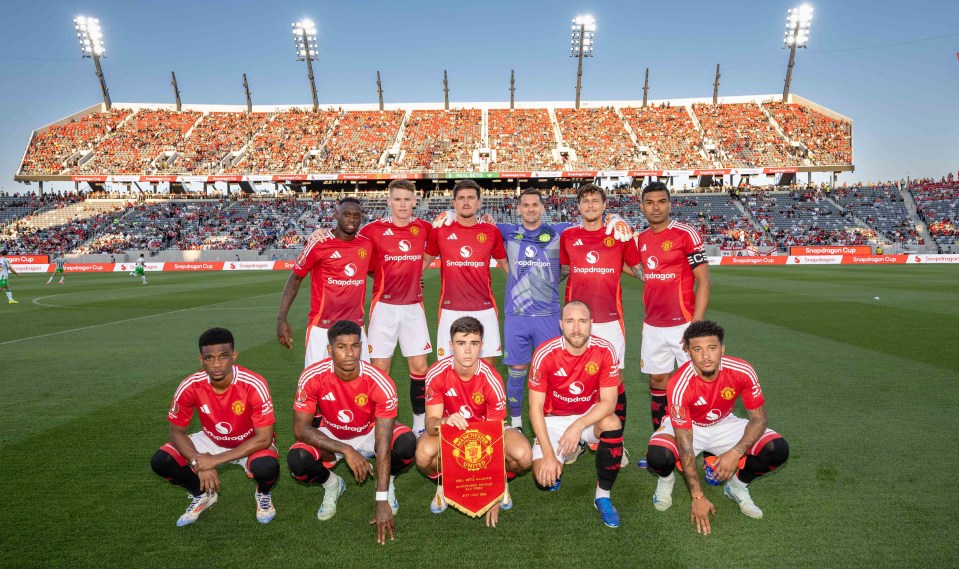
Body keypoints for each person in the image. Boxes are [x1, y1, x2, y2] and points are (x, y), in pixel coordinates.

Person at [488, 188, 632, 432]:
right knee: (517, 370)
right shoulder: (505, 231)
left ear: (544, 209)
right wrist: (449, 210)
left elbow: (591, 220)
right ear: (518, 208)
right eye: (526, 205)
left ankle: (556, 422)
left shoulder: (561, 231)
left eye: (536, 205)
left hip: (550, 315)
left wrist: (613, 218)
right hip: (517, 314)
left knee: (557, 371)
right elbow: (475, 221)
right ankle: (516, 424)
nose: (531, 209)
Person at [645, 321, 789, 535]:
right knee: (657, 456)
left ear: (722, 349)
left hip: (724, 423)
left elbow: (759, 419)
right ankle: (666, 479)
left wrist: (735, 452)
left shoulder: (742, 370)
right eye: (697, 349)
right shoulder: (679, 383)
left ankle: (737, 485)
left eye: (711, 348)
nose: (705, 356)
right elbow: (685, 444)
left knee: (777, 449)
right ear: (687, 352)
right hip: (689, 426)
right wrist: (698, 496)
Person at [286, 320, 416, 545]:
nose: (349, 354)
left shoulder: (379, 381)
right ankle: (332, 484)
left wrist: (381, 500)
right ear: (329, 350)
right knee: (298, 461)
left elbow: (383, 443)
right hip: (333, 433)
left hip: (369, 432)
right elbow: (300, 429)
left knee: (405, 444)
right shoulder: (313, 376)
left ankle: (388, 483)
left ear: (361, 347)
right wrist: (346, 449)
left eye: (355, 346)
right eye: (341, 347)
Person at [150, 328, 280, 526]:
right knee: (162, 460)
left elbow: (264, 438)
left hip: (250, 442)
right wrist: (197, 461)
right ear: (200, 359)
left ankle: (263, 494)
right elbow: (176, 432)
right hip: (212, 440)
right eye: (209, 358)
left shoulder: (253, 384)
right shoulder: (190, 385)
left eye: (224, 356)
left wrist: (213, 461)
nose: (217, 364)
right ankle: (202, 495)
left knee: (267, 467)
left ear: (234, 356)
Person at [414, 316, 532, 527]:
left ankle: (502, 483)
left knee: (524, 456)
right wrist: (445, 420)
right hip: (451, 434)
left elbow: (495, 436)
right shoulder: (437, 373)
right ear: (451, 346)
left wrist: (492, 492)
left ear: (481, 346)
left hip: (487, 434)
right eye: (461, 343)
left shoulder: (491, 379)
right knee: (423, 455)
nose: (467, 350)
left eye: (474, 343)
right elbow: (431, 424)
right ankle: (444, 485)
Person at [528, 301, 625, 528]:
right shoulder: (545, 353)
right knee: (545, 480)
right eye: (570, 321)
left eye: (582, 321)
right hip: (553, 421)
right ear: (561, 324)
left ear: (591, 324)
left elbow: (609, 402)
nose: (576, 328)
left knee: (612, 423)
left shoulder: (605, 349)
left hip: (588, 417)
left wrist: (578, 425)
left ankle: (603, 495)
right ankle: (564, 451)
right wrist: (550, 455)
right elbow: (534, 409)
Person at [560, 184, 642, 446]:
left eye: (596, 201)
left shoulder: (619, 236)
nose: (591, 205)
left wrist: (629, 235)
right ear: (579, 206)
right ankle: (579, 439)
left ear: (605, 205)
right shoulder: (569, 236)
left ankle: (615, 440)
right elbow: (561, 272)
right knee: (575, 377)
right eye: (585, 201)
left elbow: (640, 272)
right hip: (576, 323)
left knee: (615, 379)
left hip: (610, 320)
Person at [635, 181, 711, 442]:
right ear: (642, 206)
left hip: (684, 323)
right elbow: (633, 267)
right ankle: (662, 439)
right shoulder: (641, 239)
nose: (656, 208)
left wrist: (697, 324)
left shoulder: (685, 233)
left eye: (661, 201)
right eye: (650, 202)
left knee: (698, 382)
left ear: (670, 203)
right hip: (653, 325)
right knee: (657, 381)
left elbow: (704, 279)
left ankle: (706, 442)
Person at [360, 179, 434, 435]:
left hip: (414, 307)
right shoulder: (372, 230)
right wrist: (321, 233)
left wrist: (417, 270)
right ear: (389, 201)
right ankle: (378, 424)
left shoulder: (424, 228)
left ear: (415, 201)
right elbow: (355, 252)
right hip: (384, 308)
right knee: (380, 370)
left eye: (407, 199)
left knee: (420, 368)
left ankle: (419, 424)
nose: (403, 204)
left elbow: (440, 244)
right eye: (398, 199)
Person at [277, 198, 373, 367]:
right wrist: (281, 318)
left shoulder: (366, 245)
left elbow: (376, 270)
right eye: (347, 214)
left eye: (357, 216)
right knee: (314, 383)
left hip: (355, 327)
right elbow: (295, 278)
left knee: (360, 384)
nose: (352, 219)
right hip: (323, 328)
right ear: (336, 215)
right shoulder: (319, 243)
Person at [423, 179, 508, 368]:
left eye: (471, 198)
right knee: (447, 367)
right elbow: (423, 262)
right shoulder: (440, 230)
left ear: (479, 202)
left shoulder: (491, 231)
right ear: (454, 203)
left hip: (485, 308)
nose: (466, 202)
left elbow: (505, 264)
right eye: (461, 198)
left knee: (487, 367)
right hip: (450, 308)